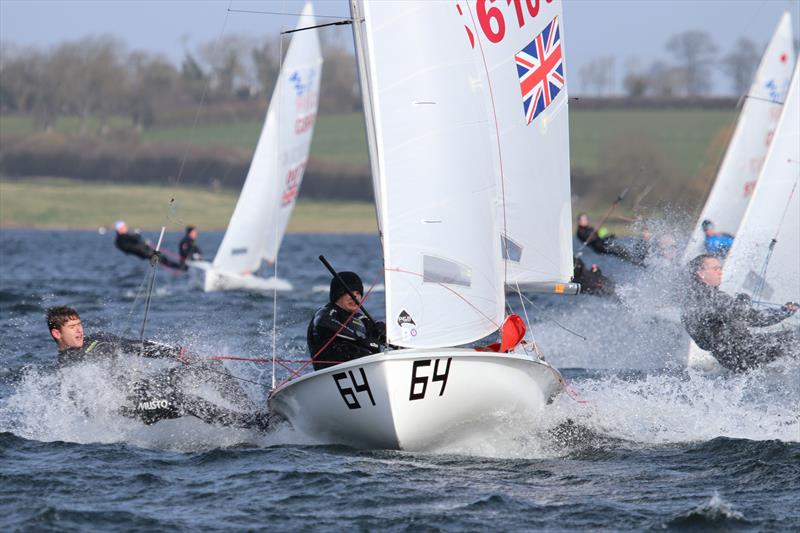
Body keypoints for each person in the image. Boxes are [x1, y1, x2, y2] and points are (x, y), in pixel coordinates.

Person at [47, 306, 270, 430]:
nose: (79, 331)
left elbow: (135, 346)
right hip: (130, 407)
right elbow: (88, 407)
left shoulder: (99, 338)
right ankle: (254, 424)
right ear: (57, 333)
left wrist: (178, 353)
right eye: (72, 328)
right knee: (184, 400)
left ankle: (253, 410)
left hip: (145, 388)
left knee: (209, 365)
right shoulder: (68, 366)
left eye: (80, 325)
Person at [680, 255, 799, 372]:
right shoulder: (710, 298)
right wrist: (744, 301)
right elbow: (751, 317)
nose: (720, 272)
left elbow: (703, 343)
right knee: (794, 337)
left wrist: (783, 312)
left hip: (729, 357)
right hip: (744, 351)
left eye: (720, 269)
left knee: (788, 341)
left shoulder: (690, 301)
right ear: (701, 273)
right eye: (715, 269)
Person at [307, 272, 386, 371]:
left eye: (358, 293)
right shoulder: (325, 313)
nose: (354, 297)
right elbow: (324, 323)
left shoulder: (361, 319)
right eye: (349, 292)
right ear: (338, 294)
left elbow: (381, 333)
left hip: (368, 369)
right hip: (331, 372)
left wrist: (383, 330)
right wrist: (360, 339)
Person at [114, 221, 186, 271]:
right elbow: (134, 239)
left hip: (141, 252)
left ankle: (180, 267)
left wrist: (140, 241)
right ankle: (181, 267)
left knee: (162, 259)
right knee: (162, 258)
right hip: (143, 251)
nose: (126, 228)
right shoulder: (123, 236)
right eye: (124, 227)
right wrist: (137, 233)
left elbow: (129, 244)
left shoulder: (118, 240)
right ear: (120, 229)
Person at [576, 213, 643, 264]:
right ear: (579, 221)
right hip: (600, 247)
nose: (586, 220)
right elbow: (590, 239)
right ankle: (637, 262)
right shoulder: (580, 232)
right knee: (620, 251)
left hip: (604, 243)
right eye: (583, 219)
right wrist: (595, 232)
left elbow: (600, 236)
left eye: (586, 219)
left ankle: (637, 258)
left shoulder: (590, 228)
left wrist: (610, 236)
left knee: (622, 249)